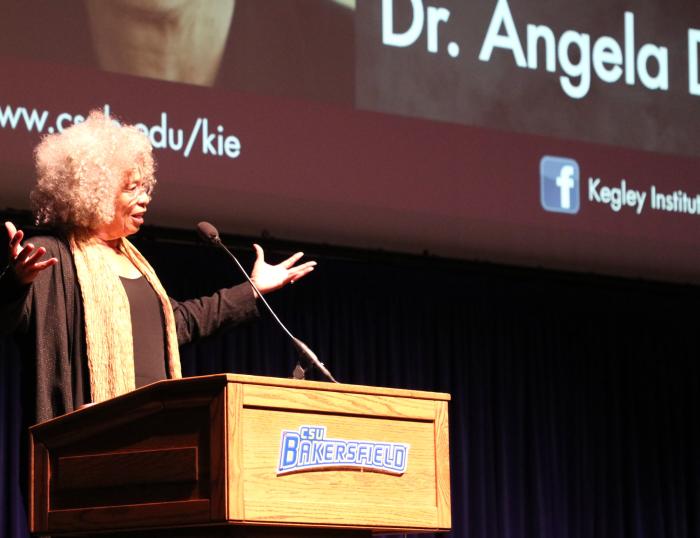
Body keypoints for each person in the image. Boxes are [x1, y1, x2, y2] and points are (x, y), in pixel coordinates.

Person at [0, 110, 315, 425]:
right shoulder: (53, 256)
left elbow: (178, 323)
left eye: (144, 186)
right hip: (88, 439)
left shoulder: (135, 261)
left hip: (157, 433)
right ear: (91, 193)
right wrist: (15, 282)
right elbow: (8, 317)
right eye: (131, 188)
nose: (144, 198)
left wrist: (253, 289)